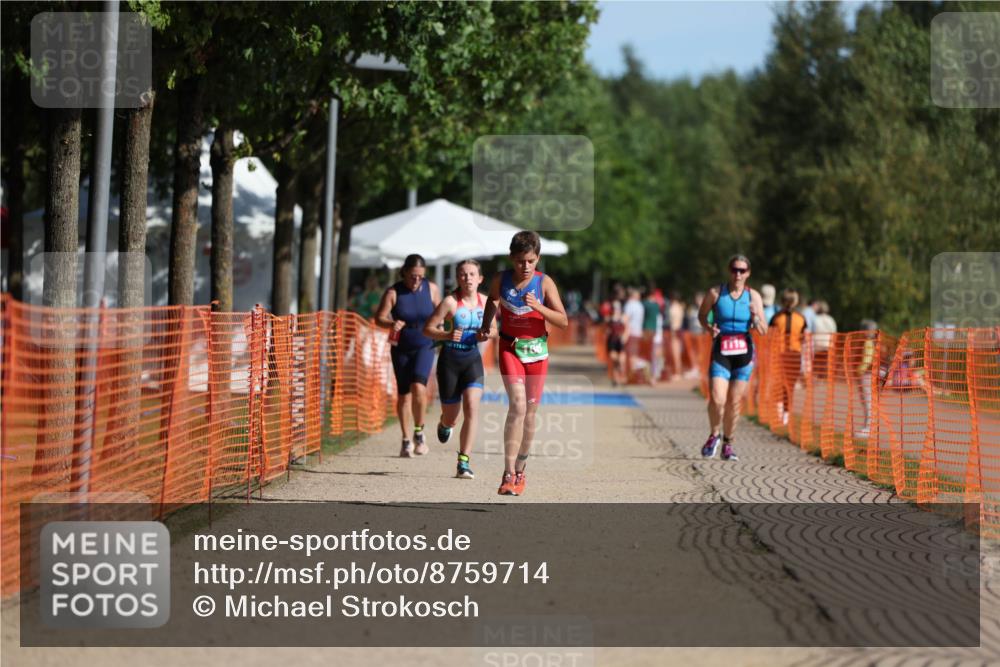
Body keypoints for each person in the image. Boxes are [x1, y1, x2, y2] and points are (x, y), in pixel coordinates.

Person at [479, 231, 568, 496]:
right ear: (511, 259)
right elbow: (492, 300)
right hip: (510, 347)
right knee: (516, 406)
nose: (525, 267)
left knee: (529, 414)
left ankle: (520, 469)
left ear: (537, 259)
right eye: (520, 261)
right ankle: (507, 473)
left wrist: (538, 307)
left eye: (530, 261)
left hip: (537, 352)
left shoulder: (544, 283)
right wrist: (487, 323)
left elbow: (563, 320)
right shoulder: (500, 279)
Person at [423, 260, 494, 479]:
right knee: (452, 417)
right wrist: (445, 335)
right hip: (449, 362)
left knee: (472, 407)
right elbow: (428, 329)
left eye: (472, 274)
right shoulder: (450, 302)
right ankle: (445, 423)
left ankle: (463, 462)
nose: (468, 278)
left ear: (480, 278)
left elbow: (495, 330)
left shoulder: (487, 302)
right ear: (458, 279)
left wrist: (486, 334)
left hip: (472, 360)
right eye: (463, 275)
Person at [697, 254, 767, 461]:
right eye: (735, 270)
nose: (738, 274)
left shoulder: (753, 297)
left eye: (742, 271)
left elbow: (763, 330)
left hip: (744, 353)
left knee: (734, 402)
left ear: (748, 273)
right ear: (729, 271)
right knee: (717, 399)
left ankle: (728, 443)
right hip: (721, 350)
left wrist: (754, 316)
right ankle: (714, 434)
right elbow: (701, 315)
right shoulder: (715, 293)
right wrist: (709, 328)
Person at [374, 254, 440, 457]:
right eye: (413, 276)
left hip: (425, 344)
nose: (417, 280)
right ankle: (405, 439)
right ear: (404, 272)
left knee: (419, 388)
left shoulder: (432, 288)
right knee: (404, 394)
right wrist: (391, 324)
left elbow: (441, 311)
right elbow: (379, 318)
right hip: (401, 346)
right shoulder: (394, 292)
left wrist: (443, 329)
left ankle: (419, 433)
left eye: (421, 276)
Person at [768, 289, 808, 426]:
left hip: (778, 355)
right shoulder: (801, 319)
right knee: (790, 386)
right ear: (796, 301)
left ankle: (779, 413)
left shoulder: (775, 318)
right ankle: (786, 414)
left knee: (779, 384)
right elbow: (805, 339)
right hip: (795, 355)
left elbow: (770, 337)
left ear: (782, 301)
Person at [854, 319, 878, 439]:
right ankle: (868, 426)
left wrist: (860, 371)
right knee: (866, 400)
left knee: (868, 401)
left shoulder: (867, 342)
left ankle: (869, 428)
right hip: (867, 373)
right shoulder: (868, 341)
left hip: (866, 374)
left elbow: (867, 359)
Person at [602, 284, 628, 386]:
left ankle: (621, 376)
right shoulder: (608, 307)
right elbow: (605, 323)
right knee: (613, 357)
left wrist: (625, 336)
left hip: (619, 337)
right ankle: (616, 377)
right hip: (612, 337)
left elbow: (627, 325)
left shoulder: (624, 310)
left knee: (621, 357)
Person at [642, 287, 664, 384]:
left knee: (648, 355)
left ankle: (651, 376)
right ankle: (653, 376)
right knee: (654, 356)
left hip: (648, 331)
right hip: (656, 334)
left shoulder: (645, 304)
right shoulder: (656, 307)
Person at [623, 287, 646, 381]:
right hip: (638, 332)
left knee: (630, 355)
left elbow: (625, 319)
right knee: (634, 354)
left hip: (631, 332)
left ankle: (632, 375)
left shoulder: (630, 305)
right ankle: (634, 375)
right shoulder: (640, 305)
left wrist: (624, 333)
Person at [811, 299, 837, 378]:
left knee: (818, 364)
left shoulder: (815, 319)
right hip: (828, 344)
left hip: (817, 344)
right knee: (826, 363)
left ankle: (818, 378)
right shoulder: (830, 319)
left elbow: (812, 331)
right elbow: (834, 332)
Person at [667, 291, 685, 381]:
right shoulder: (680, 307)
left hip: (675, 330)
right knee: (676, 353)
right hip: (678, 330)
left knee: (675, 353)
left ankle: (677, 373)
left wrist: (672, 332)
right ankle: (678, 372)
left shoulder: (674, 307)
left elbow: (673, 322)